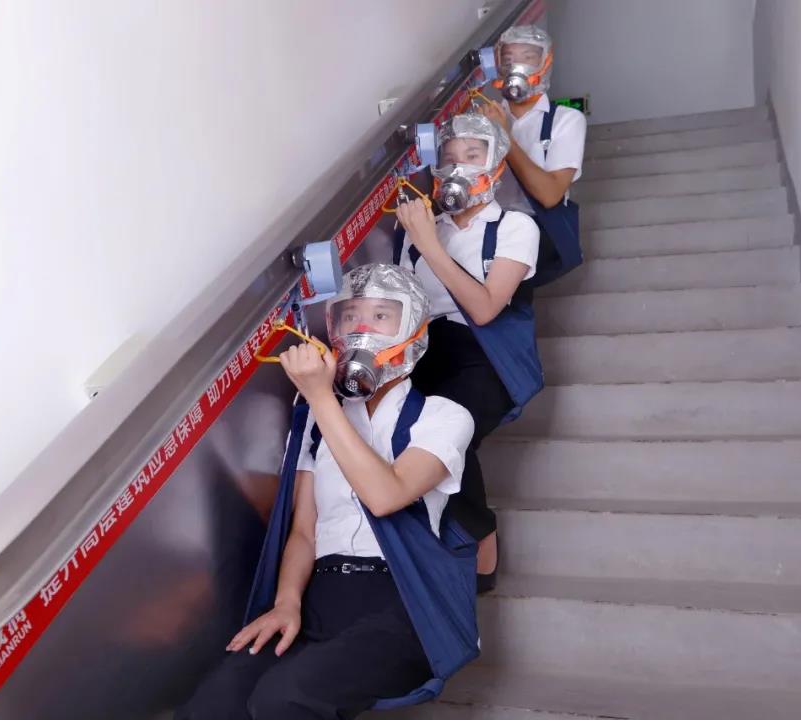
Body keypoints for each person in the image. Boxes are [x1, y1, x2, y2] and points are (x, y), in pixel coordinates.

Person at [175, 264, 475, 720]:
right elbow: (304, 531)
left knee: (283, 698)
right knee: (214, 704)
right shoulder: (318, 424)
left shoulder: (443, 416)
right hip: (321, 594)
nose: (361, 329)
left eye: (380, 316)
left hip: (402, 602)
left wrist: (319, 396)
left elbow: (386, 496)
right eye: (350, 316)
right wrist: (286, 604)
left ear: (414, 328)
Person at [394, 112, 542, 593]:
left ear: (496, 166)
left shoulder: (514, 226)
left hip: (485, 354)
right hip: (425, 351)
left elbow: (484, 309)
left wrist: (429, 244)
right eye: (450, 158)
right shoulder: (420, 231)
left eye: (473, 156)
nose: (459, 167)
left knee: (450, 428)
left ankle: (481, 547)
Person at [485, 24, 587, 218]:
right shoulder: (485, 118)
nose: (516, 67)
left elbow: (550, 196)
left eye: (528, 58)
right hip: (492, 227)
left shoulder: (566, 119)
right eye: (508, 60)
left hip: (540, 227)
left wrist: (504, 137)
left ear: (546, 63)